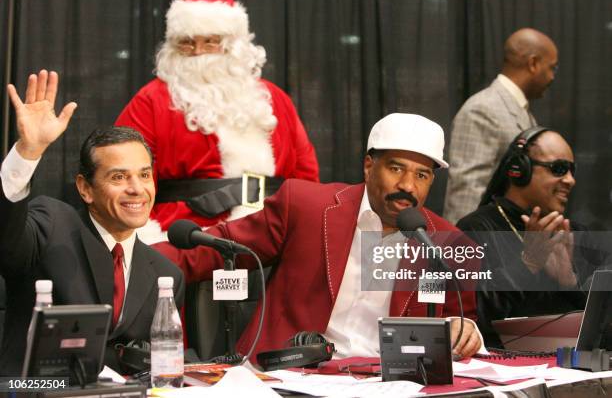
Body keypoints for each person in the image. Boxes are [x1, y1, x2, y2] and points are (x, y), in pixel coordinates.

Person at [156, 113, 485, 361]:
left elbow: (459, 321)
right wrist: (128, 261)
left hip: (390, 384)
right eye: (396, 168)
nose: (408, 186)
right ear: (369, 167)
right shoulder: (305, 207)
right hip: (291, 374)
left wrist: (464, 330)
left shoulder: (445, 244)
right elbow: (213, 248)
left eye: (422, 175)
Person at [0, 70, 185, 375]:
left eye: (144, 174)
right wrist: (27, 152)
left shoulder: (165, 275)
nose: (137, 188)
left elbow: (161, 366)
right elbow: (6, 241)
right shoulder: (52, 227)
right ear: (85, 188)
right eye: (118, 177)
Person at [115, 0, 319, 243]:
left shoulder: (275, 99)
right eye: (187, 42)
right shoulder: (150, 101)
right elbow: (122, 176)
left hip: (275, 237)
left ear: (233, 45)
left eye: (210, 41)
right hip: (188, 241)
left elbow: (305, 176)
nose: (199, 51)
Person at [457, 127, 609, 347]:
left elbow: (604, 326)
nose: (570, 180)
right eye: (559, 169)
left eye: (572, 171)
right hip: (506, 371)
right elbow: (470, 319)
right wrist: (527, 264)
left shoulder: (575, 233)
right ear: (520, 170)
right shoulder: (476, 229)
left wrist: (569, 283)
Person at [444, 28, 559, 224]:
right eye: (552, 68)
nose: (552, 77)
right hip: (483, 245)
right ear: (533, 63)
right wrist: (461, 250)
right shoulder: (482, 109)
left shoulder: (521, 111)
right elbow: (466, 194)